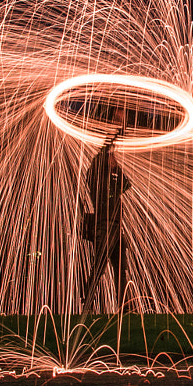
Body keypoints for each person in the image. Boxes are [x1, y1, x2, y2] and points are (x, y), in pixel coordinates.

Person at [80, 108, 131, 312]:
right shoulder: (97, 180)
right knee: (100, 268)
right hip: (105, 226)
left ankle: (126, 308)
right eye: (110, 158)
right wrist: (117, 130)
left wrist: (116, 167)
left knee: (120, 269)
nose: (113, 158)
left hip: (116, 227)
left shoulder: (113, 179)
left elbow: (127, 185)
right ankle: (87, 303)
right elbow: (104, 150)